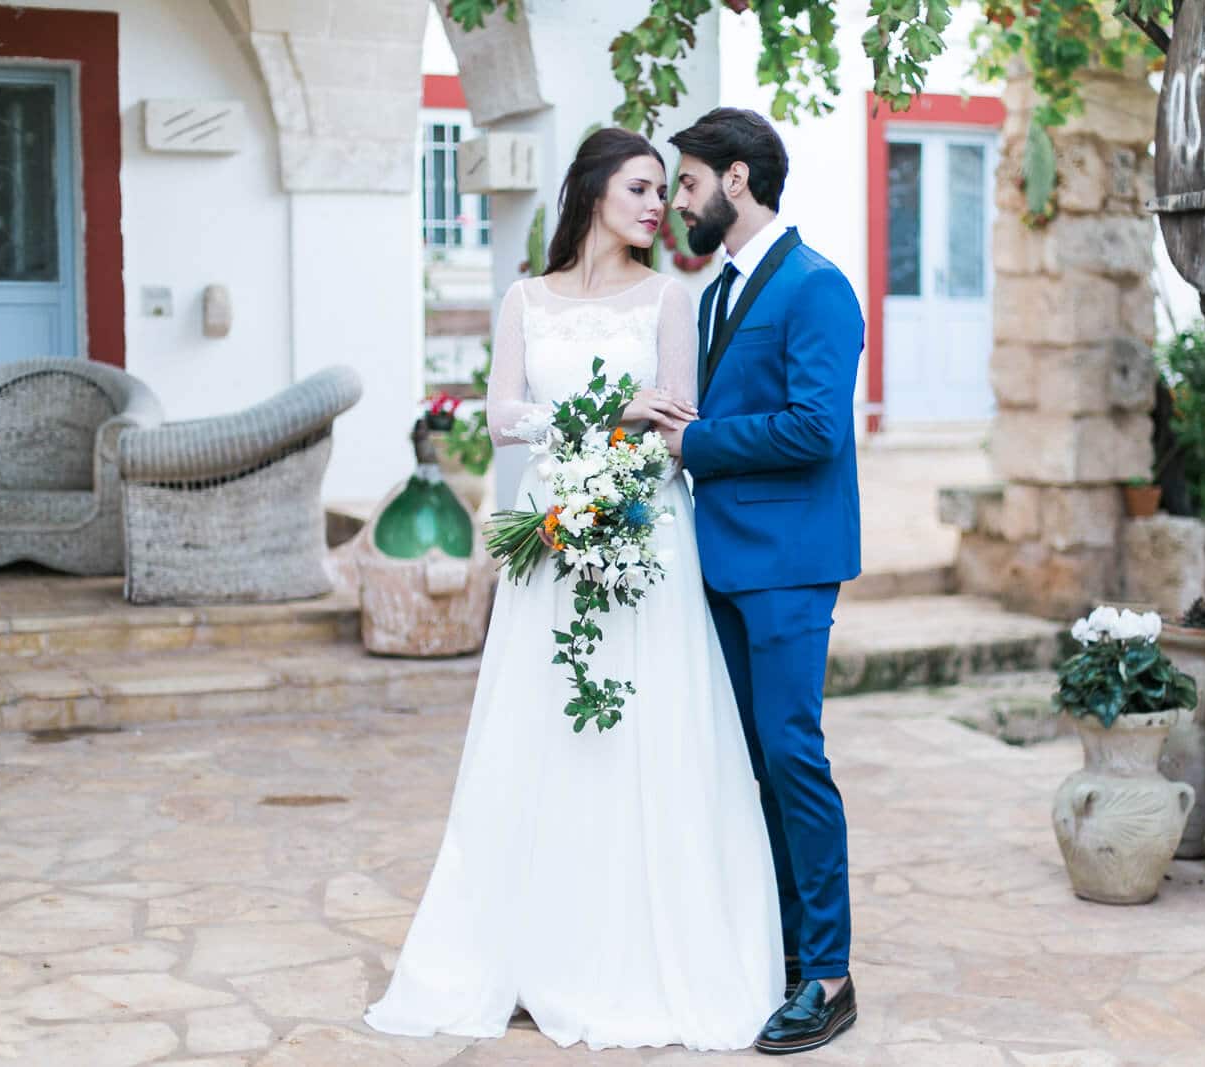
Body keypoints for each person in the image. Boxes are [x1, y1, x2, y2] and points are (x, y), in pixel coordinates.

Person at [362, 127, 783, 1052]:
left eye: (665, 190)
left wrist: (619, 448)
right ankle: (532, 948)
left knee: (644, 734)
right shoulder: (524, 298)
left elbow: (675, 415)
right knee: (541, 732)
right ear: (594, 190)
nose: (656, 205)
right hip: (548, 546)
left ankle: (634, 954)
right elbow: (504, 417)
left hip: (643, 538)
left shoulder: (670, 299)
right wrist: (602, 415)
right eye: (639, 186)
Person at [662, 107, 865, 1056]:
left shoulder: (818, 287)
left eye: (690, 183)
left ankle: (829, 975)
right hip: (723, 559)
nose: (679, 202)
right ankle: (785, 951)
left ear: (736, 180)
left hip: (788, 567)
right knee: (752, 769)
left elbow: (817, 429)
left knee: (793, 760)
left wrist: (695, 441)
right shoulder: (714, 293)